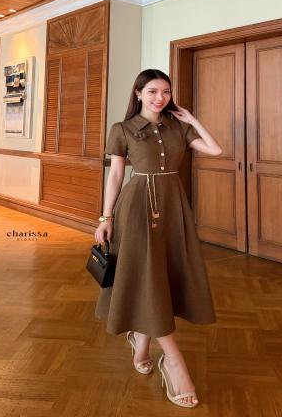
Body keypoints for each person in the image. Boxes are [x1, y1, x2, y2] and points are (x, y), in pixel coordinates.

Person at [94, 69, 222, 408]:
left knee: (161, 276)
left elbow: (215, 149)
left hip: (173, 208)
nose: (159, 97)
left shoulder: (179, 127)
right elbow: (116, 176)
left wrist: (192, 119)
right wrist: (105, 217)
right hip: (136, 208)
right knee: (146, 276)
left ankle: (141, 341)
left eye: (165, 91)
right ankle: (174, 361)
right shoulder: (122, 129)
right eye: (152, 91)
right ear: (138, 93)